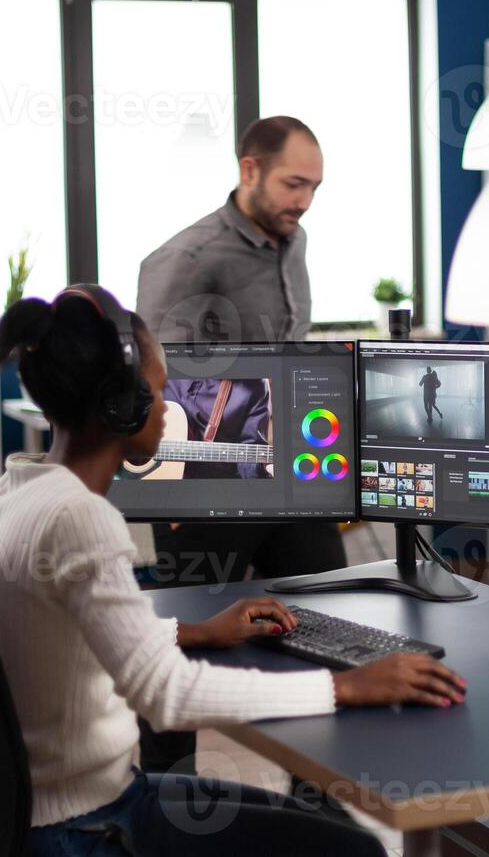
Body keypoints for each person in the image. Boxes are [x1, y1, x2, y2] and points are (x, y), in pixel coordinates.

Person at [0, 285, 466, 856]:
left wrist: (193, 631)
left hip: (52, 811)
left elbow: (61, 632)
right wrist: (345, 685)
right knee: (358, 850)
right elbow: (168, 695)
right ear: (122, 405)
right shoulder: (80, 518)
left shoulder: (13, 491)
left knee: (328, 827)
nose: (165, 410)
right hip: (87, 826)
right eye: (159, 393)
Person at [134, 117, 348, 770]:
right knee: (182, 650)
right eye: (293, 184)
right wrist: (164, 482)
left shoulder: (295, 240)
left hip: (286, 476)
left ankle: (325, 800)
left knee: (329, 622)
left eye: (314, 187)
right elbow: (151, 378)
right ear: (249, 169)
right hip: (203, 486)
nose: (303, 201)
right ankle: (165, 803)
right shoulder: (187, 259)